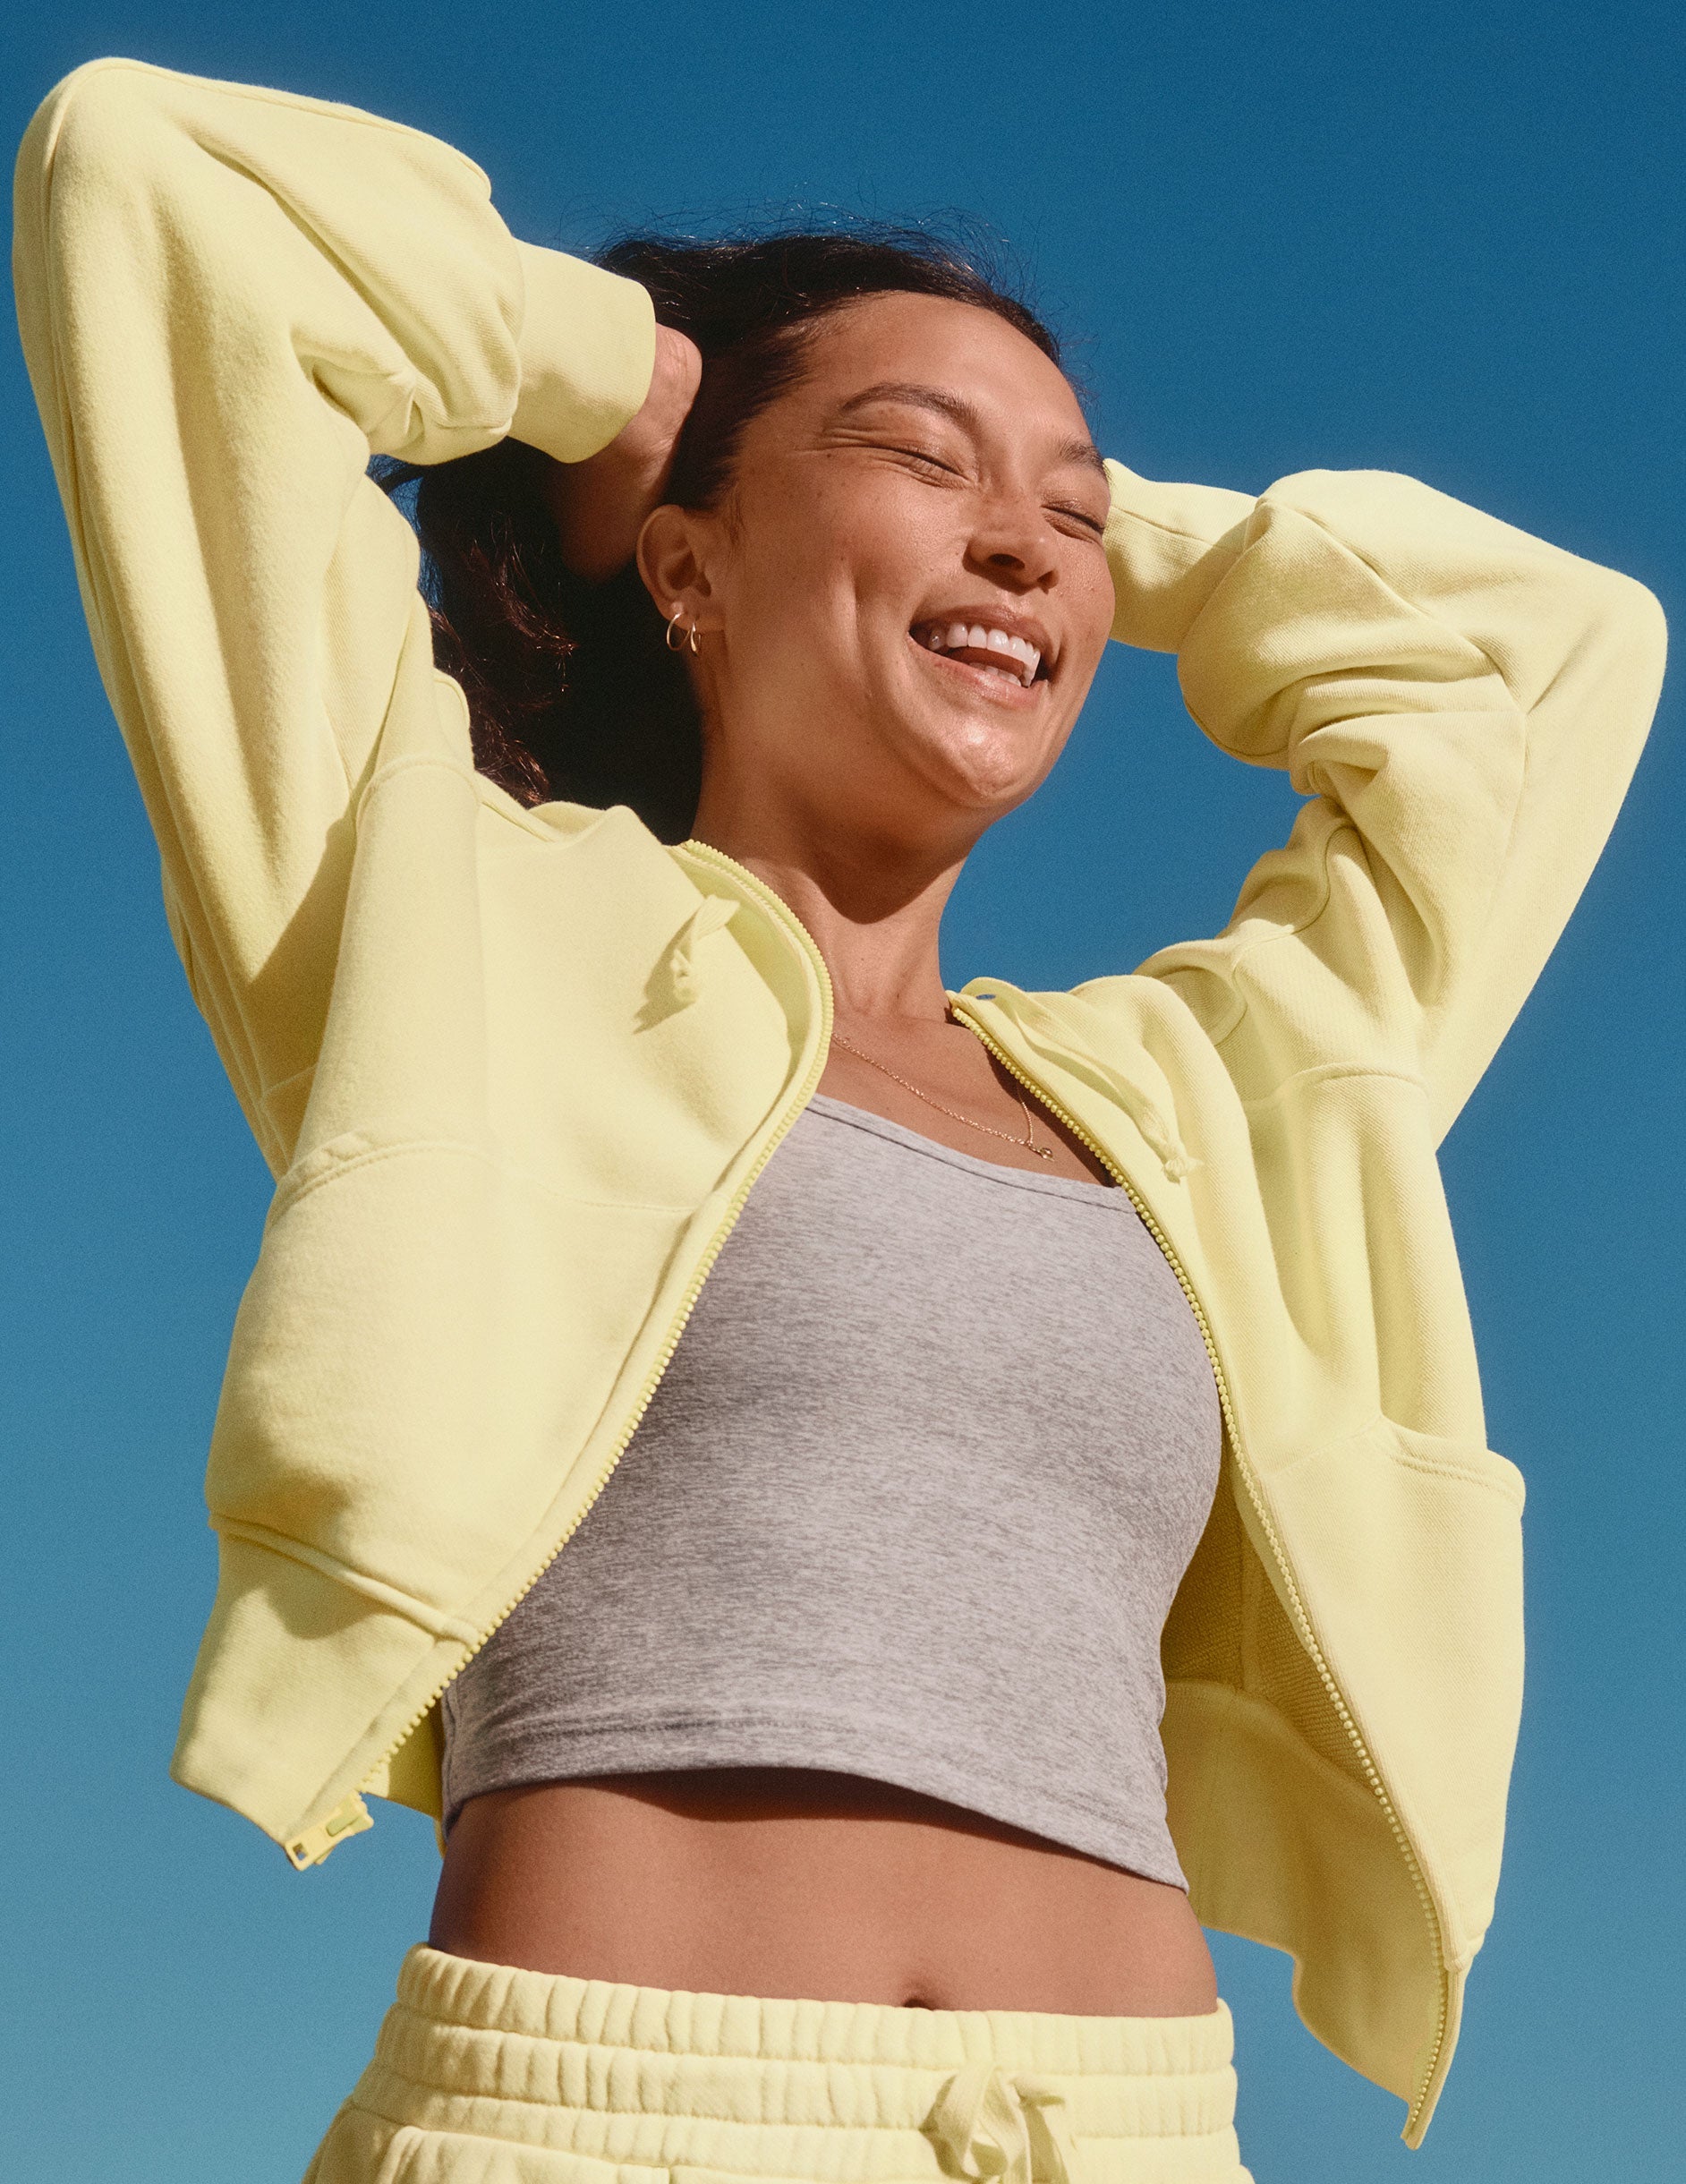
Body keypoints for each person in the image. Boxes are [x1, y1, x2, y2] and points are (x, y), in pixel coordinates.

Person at [13, 55, 1665, 2184]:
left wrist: (1072, 544)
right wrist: (614, 384)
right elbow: (148, 186)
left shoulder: (1223, 1097)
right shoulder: (454, 931)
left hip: (1137, 2132)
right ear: (683, 572)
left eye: (1074, 509)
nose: (1031, 540)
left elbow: (1547, 657)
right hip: (622, 2113)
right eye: (919, 456)